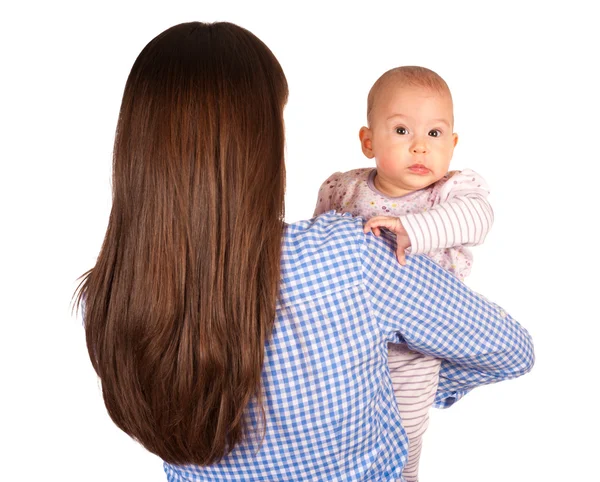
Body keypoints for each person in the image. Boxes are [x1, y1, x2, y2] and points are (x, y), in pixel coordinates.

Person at [75, 22, 534, 482]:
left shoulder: (110, 292)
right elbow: (511, 351)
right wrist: (396, 384)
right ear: (258, 146)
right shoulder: (350, 256)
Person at [314, 66, 495, 481]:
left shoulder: (450, 191)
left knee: (406, 429)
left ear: (452, 144)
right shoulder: (343, 189)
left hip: (417, 341)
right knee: (347, 423)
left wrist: (412, 230)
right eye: (401, 131)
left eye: (434, 135)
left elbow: (479, 219)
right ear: (368, 141)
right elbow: (319, 249)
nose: (419, 147)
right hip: (351, 333)